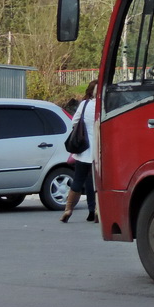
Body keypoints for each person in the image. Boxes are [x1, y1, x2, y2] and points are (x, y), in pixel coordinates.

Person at [61, 79, 97, 223]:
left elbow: (74, 122)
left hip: (84, 150)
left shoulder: (84, 104)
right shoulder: (103, 106)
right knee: (94, 182)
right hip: (98, 153)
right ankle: (94, 211)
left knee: (78, 180)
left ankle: (68, 209)